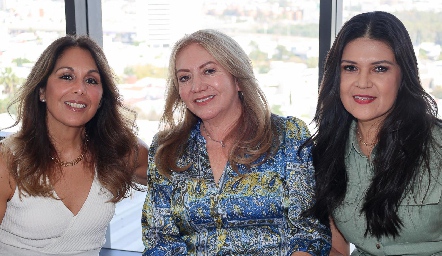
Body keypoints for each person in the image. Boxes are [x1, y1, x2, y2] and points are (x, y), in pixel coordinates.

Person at [141, 29, 331, 255]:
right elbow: (160, 242)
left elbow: (309, 233)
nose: (197, 86)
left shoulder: (287, 135)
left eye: (209, 71)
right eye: (185, 77)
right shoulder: (167, 149)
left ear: (238, 79)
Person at [305, 11, 442, 255]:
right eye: (350, 68)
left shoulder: (437, 147)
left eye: (379, 68)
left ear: (403, 76)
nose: (363, 82)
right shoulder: (327, 150)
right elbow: (337, 248)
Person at [0, 35, 148, 255]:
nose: (80, 89)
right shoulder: (8, 161)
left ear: (101, 98)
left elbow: (183, 181)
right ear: (42, 91)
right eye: (67, 76)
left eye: (91, 81)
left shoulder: (119, 152)